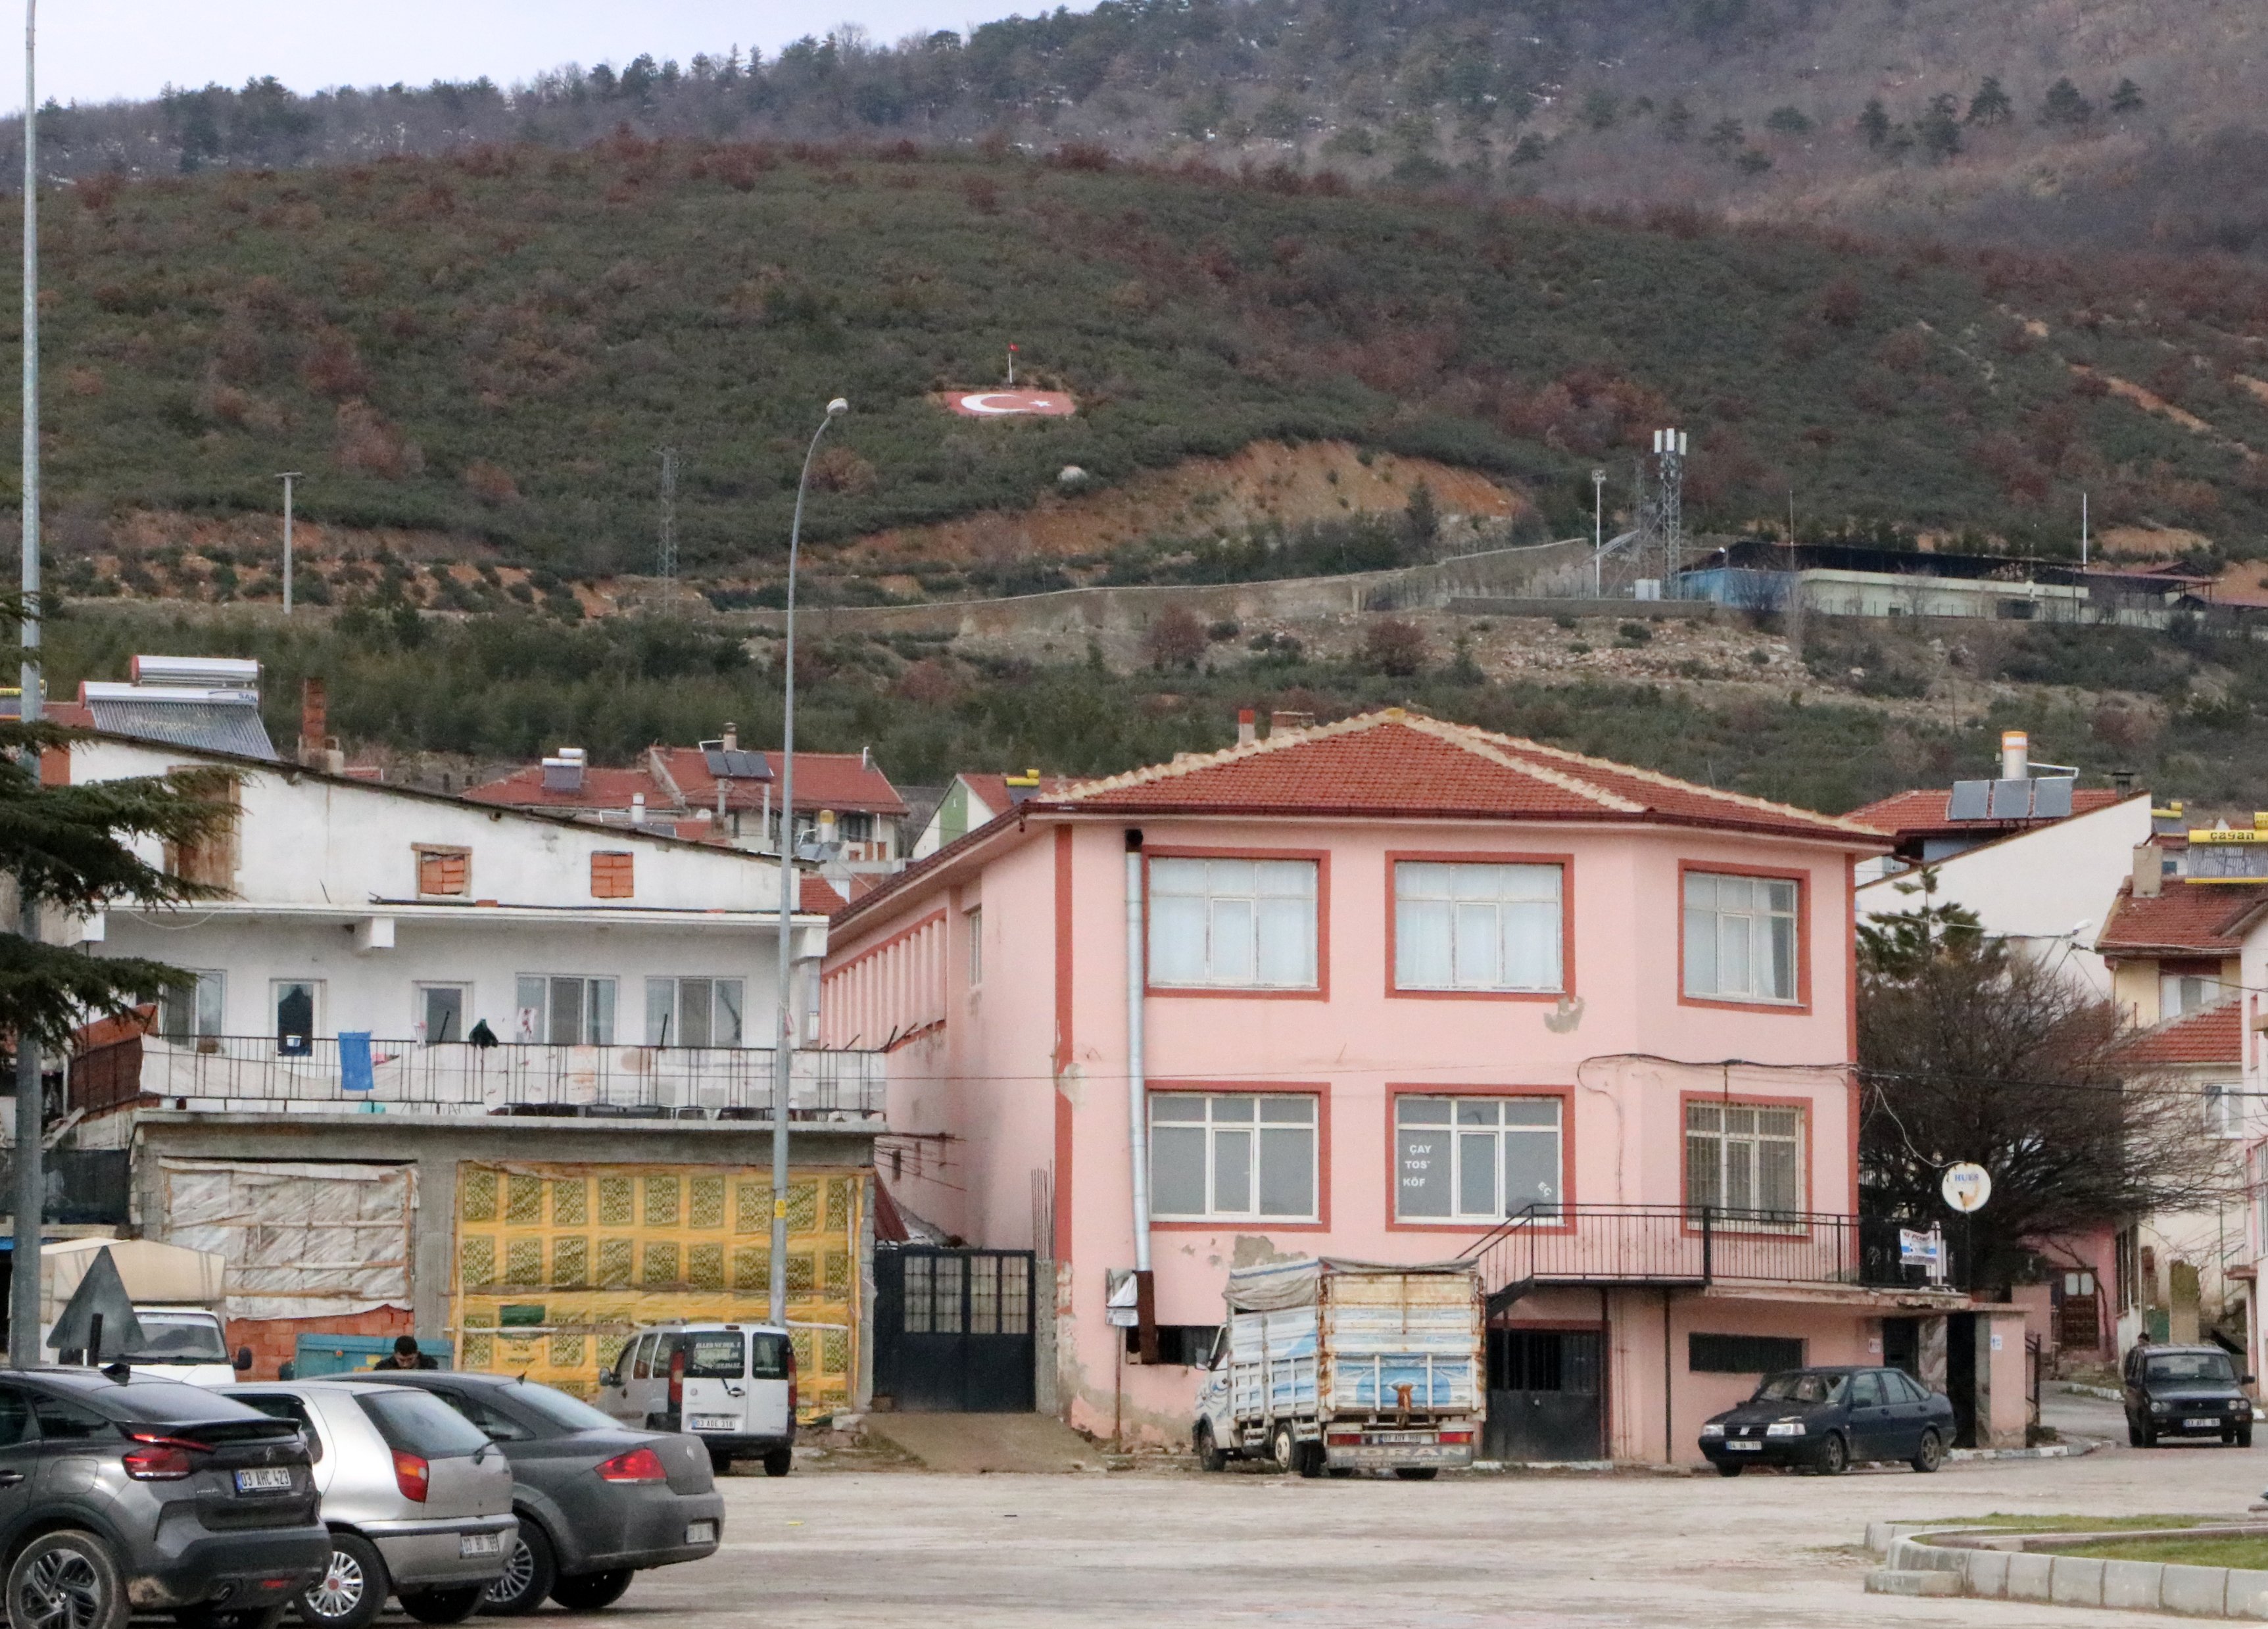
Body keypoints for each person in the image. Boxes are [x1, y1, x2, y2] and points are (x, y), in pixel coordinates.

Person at [372, 1334, 437, 1371]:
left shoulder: (429, 1367)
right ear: (395, 1355)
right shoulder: (384, 1368)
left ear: (417, 1354)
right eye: (401, 1360)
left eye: (410, 1359)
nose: (405, 1365)